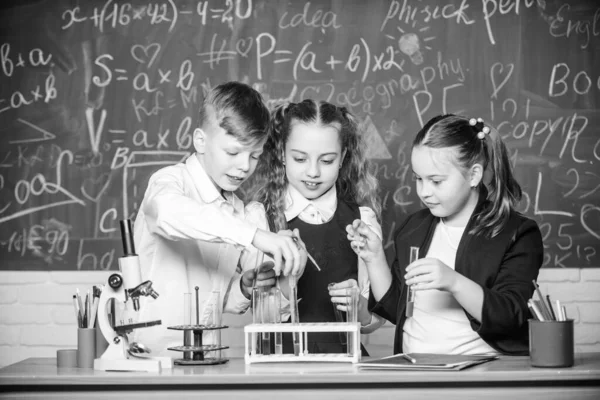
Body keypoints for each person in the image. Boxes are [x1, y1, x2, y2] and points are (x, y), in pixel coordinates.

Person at [132, 82, 307, 356]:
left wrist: (245, 287)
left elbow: (218, 301)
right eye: (233, 152)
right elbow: (168, 212)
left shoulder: (236, 209)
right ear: (200, 141)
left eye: (255, 156)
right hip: (151, 357)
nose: (244, 166)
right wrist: (257, 236)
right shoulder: (169, 182)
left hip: (204, 360)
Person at [347, 114, 543, 356]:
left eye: (436, 181)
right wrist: (374, 258)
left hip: (483, 374)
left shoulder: (517, 233)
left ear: (473, 175)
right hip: (416, 371)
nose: (424, 192)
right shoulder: (413, 228)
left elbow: (511, 316)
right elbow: (397, 308)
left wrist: (454, 281)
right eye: (418, 179)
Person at [248, 99, 385, 355]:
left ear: (343, 157)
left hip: (346, 369)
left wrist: (359, 307)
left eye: (327, 160)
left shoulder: (361, 220)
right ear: (282, 154)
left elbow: (376, 320)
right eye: (300, 158)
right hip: (278, 368)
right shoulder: (258, 220)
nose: (313, 172)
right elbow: (260, 318)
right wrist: (288, 282)